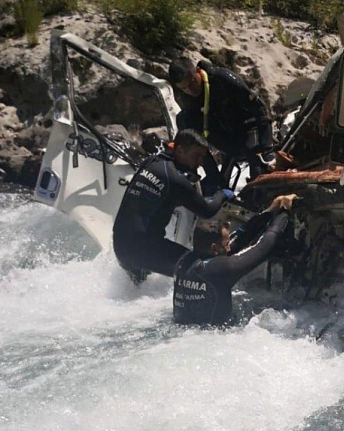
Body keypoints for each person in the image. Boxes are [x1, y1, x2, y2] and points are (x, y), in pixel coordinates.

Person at [112, 129, 235, 283]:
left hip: (121, 245)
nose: (200, 162)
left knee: (137, 292)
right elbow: (207, 210)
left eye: (202, 157)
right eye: (196, 156)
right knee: (199, 268)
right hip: (142, 249)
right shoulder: (175, 179)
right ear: (179, 150)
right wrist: (222, 194)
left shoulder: (151, 162)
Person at [173, 194, 299, 326]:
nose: (229, 249)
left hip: (186, 331)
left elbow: (239, 238)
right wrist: (284, 212)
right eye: (226, 244)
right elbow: (263, 246)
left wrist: (270, 211)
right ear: (214, 248)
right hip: (216, 338)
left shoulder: (184, 261)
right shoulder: (218, 269)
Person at [168, 58, 276, 190]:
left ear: (197, 71)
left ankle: (259, 193)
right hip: (226, 136)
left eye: (192, 83)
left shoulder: (222, 79)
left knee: (258, 168)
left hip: (247, 128)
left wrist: (267, 148)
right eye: (184, 88)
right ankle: (213, 177)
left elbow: (259, 108)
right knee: (183, 121)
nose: (190, 90)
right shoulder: (187, 97)